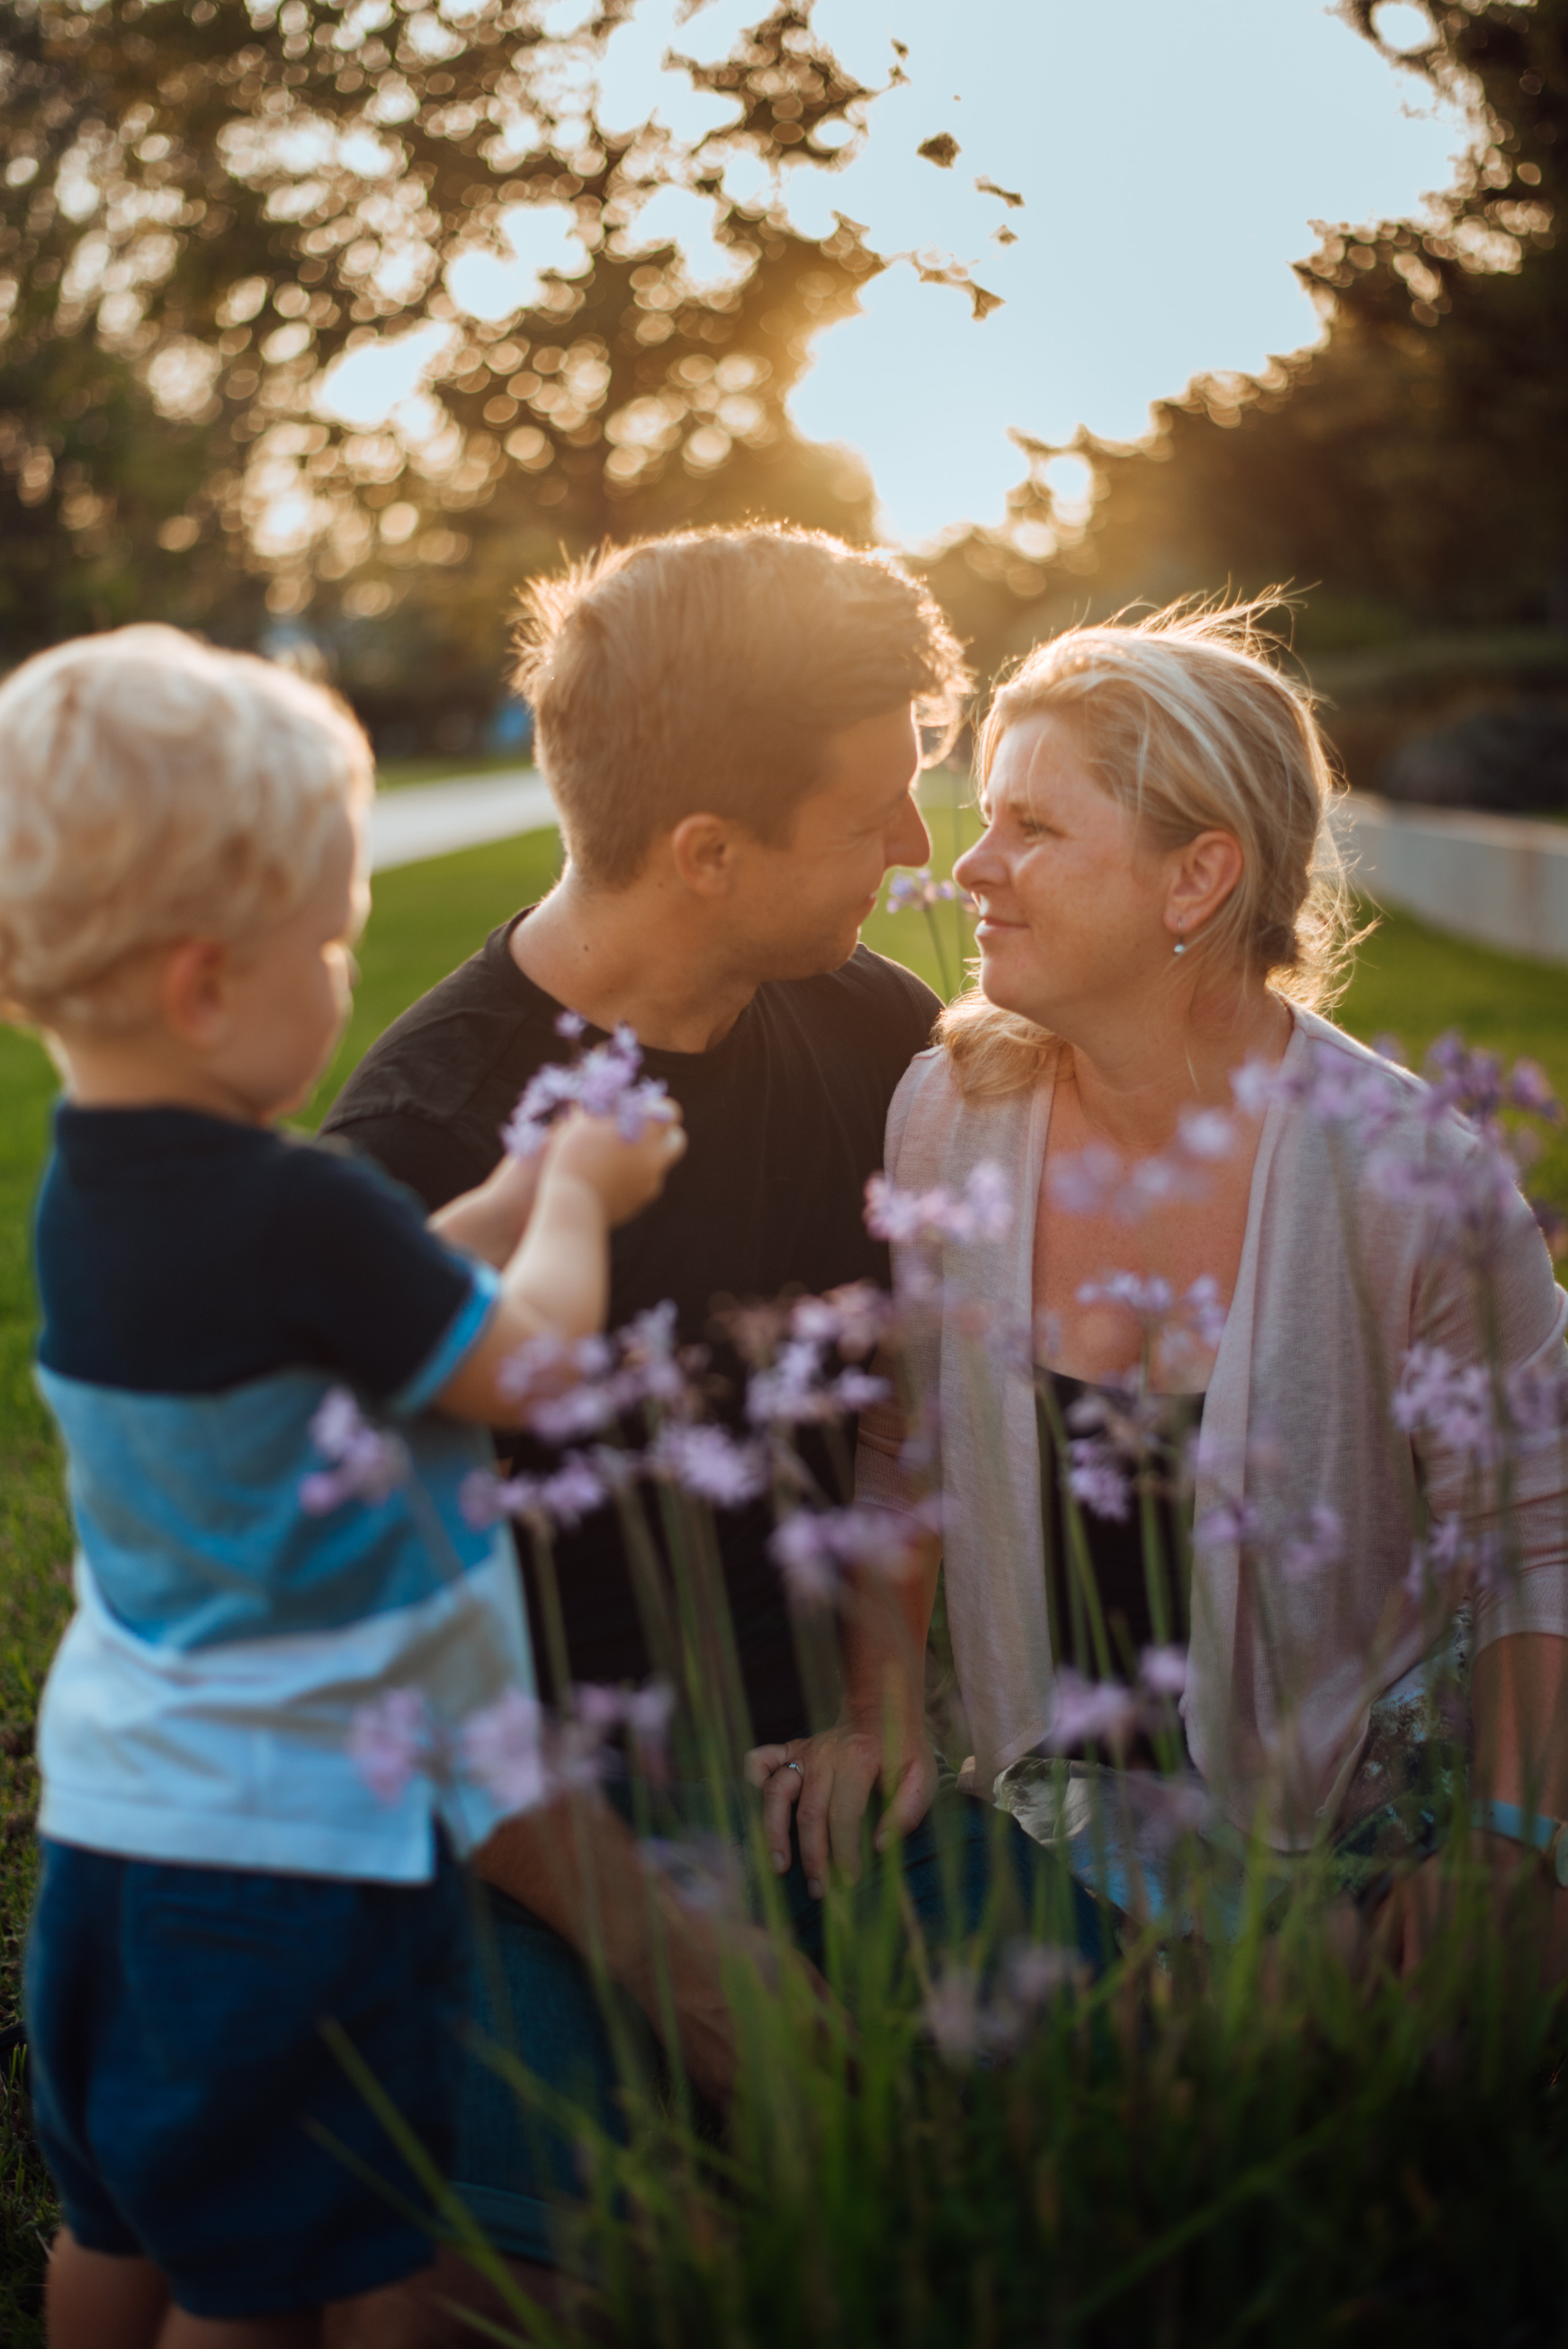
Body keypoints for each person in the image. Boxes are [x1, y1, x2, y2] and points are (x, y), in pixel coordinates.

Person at [322, 527, 1099, 2323]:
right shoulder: (425, 1151)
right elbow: (379, 1650)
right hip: (511, 1822)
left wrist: (882, 1702)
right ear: (706, 854)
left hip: (810, 1771)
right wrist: (668, 1954)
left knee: (1153, 2084)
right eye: (877, 810)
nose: (923, 850)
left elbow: (907, 1390)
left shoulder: (869, 1031)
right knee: (520, 2293)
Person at [0, 625, 684, 2348]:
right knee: (273, 2272)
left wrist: (509, 1192)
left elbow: (372, 1323)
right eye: (328, 943)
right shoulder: (297, 1209)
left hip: (116, 1838)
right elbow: (524, 1370)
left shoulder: (96, 1193)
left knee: (124, 2217)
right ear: (204, 983)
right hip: (292, 1865)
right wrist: (589, 1200)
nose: (343, 974)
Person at [753, 599, 1568, 1975]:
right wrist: (882, 1706)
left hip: (1361, 1857)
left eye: (1033, 829)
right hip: (1039, 1848)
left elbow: (1533, 1539)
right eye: (985, 819)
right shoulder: (946, 1116)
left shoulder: (1401, 1175)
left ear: (1194, 881)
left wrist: (1501, 1853)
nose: (972, 868)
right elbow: (906, 1445)